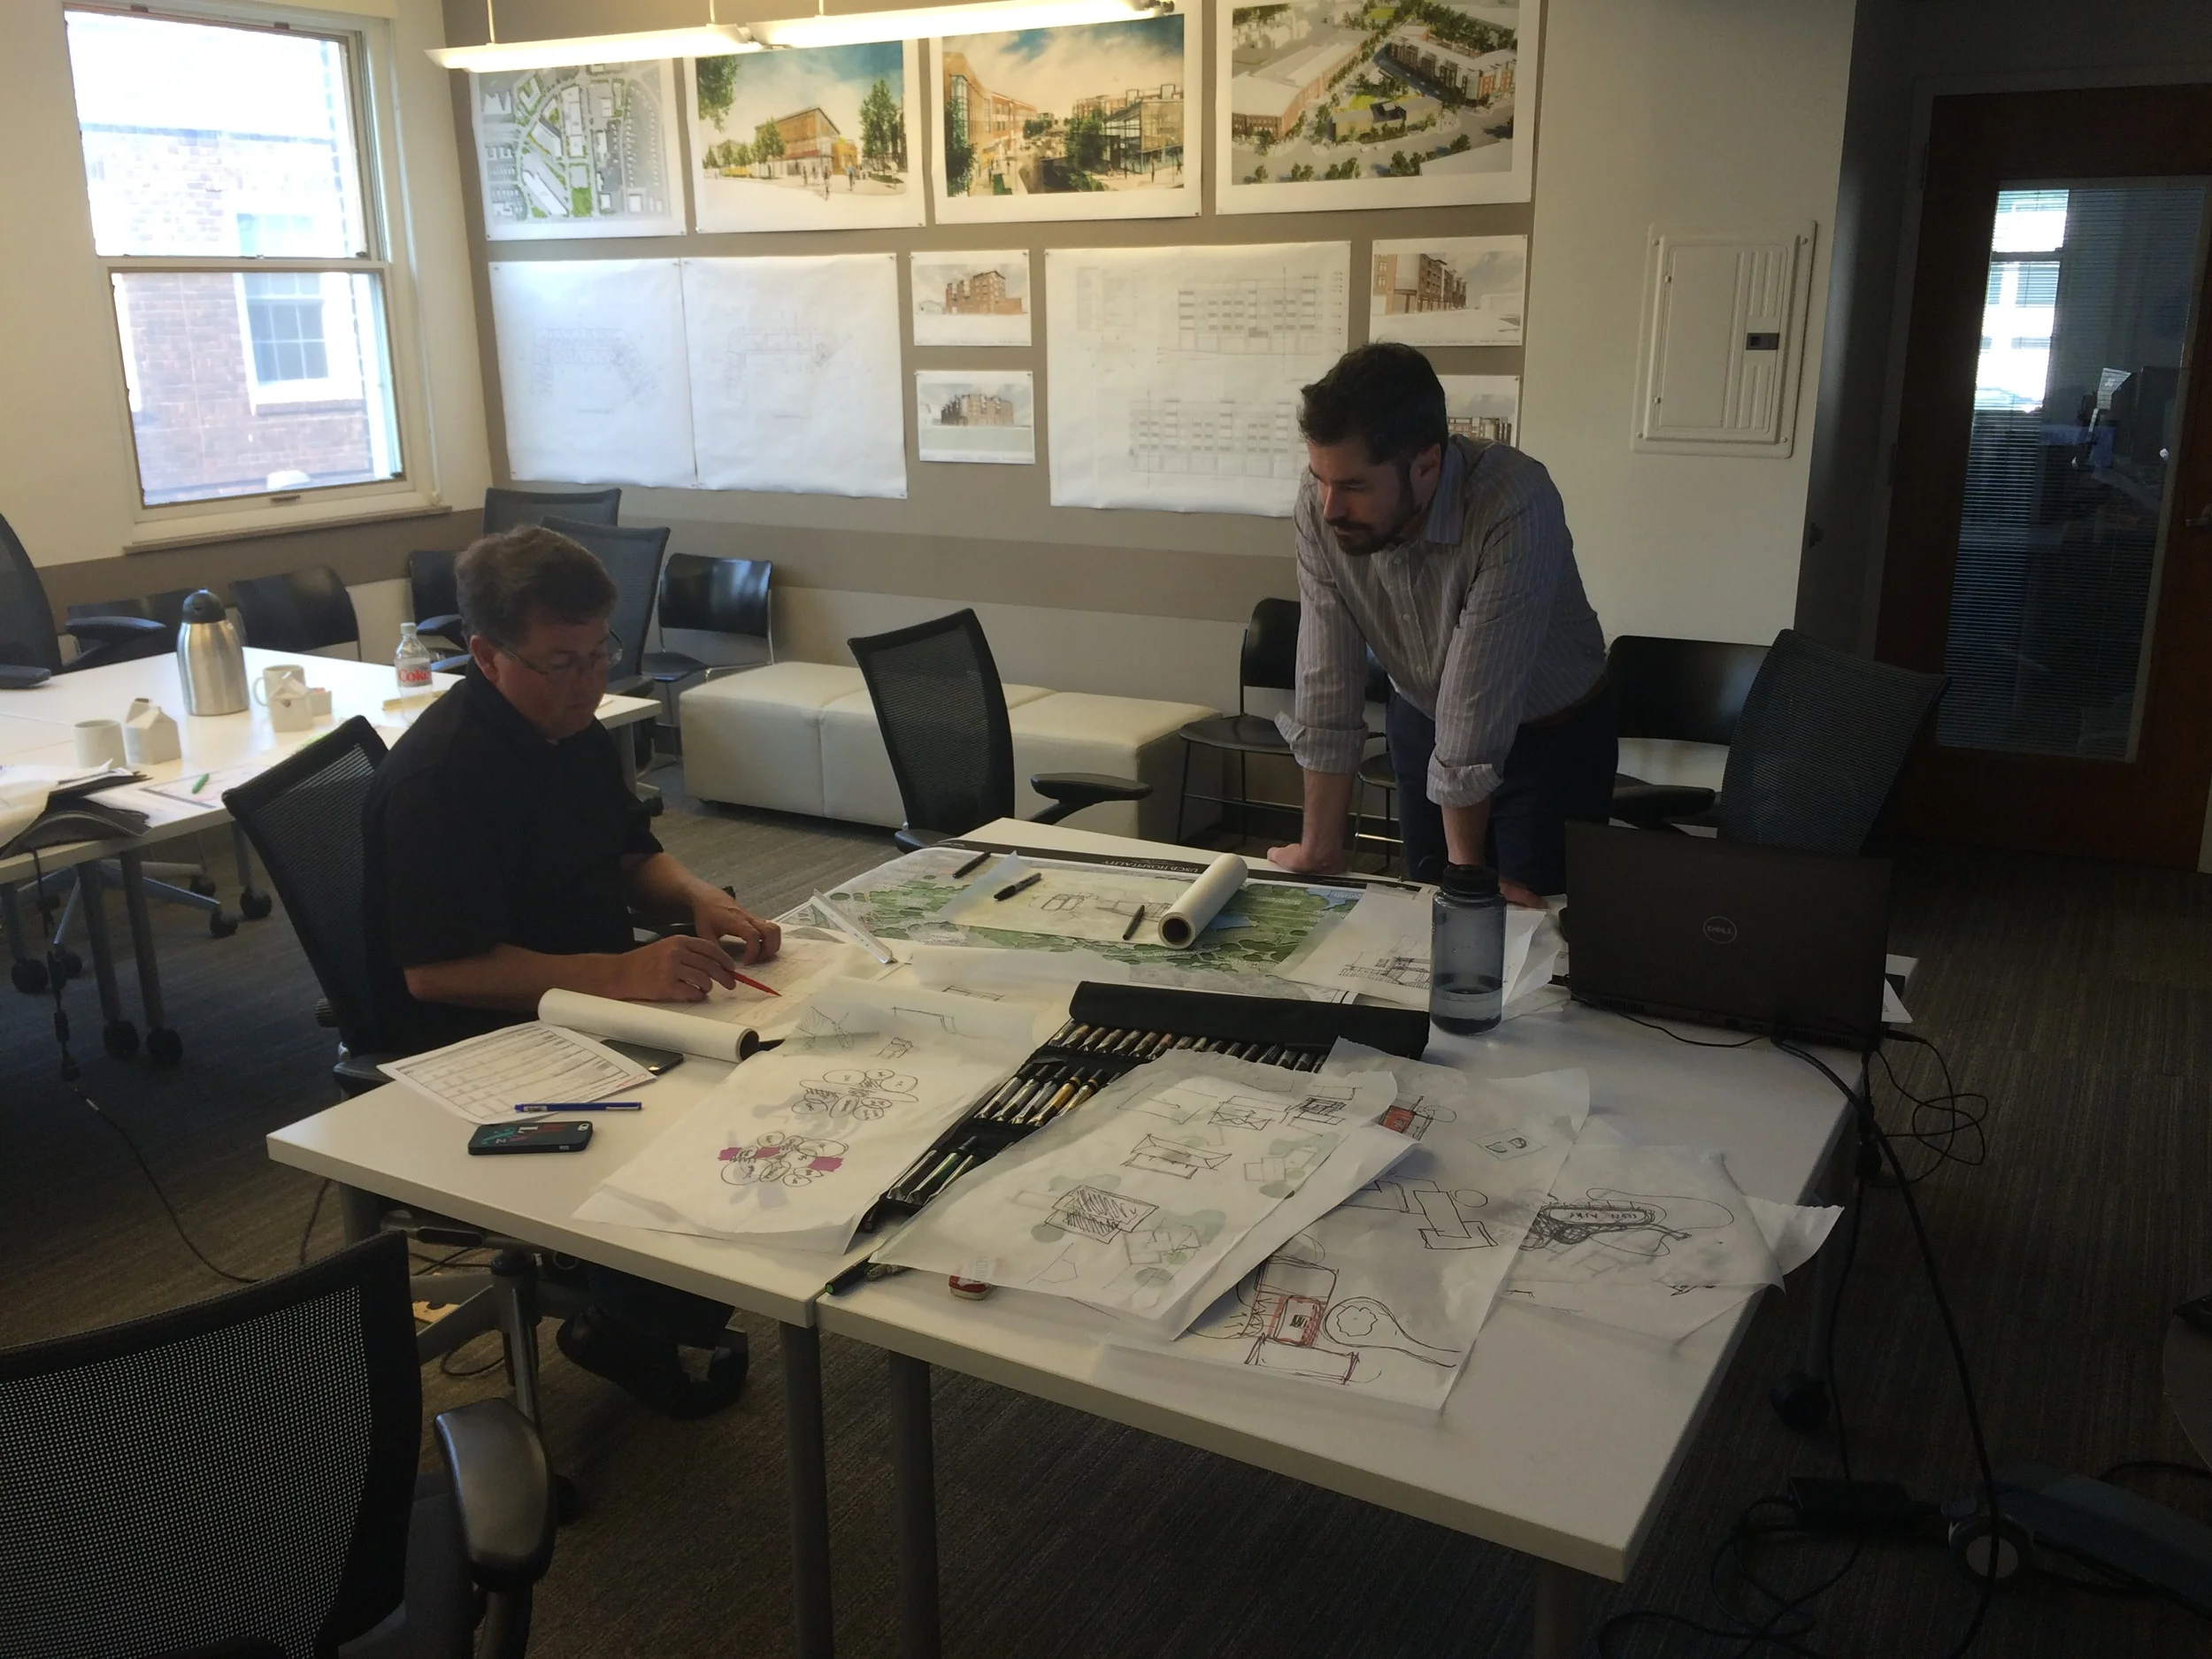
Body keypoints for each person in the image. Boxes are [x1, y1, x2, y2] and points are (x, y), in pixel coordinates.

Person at [363, 524, 784, 1418]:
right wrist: (621, 976)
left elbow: (629, 853)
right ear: (485, 654)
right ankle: (628, 1318)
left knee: (767, 1063)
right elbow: (437, 975)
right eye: (560, 662)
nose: (588, 682)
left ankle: (639, 1305)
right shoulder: (444, 779)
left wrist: (698, 899)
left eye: (600, 654)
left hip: (586, 997)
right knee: (695, 1114)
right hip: (473, 1035)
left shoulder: (571, 727)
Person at [1269, 343, 1614, 903]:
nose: (1330, 507)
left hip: (1551, 743)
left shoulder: (1513, 502)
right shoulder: (1321, 504)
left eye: (1355, 486)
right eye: (1321, 479)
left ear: (1427, 464)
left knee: (1529, 927)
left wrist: (1468, 875)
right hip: (1424, 722)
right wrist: (1319, 848)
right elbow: (1326, 675)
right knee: (1427, 910)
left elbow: (1477, 694)